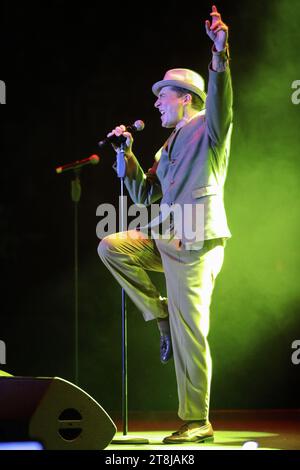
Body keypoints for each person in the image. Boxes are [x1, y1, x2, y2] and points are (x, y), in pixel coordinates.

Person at [98, 5, 233, 444]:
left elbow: (221, 99)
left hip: (197, 241)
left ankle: (198, 420)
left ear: (186, 98)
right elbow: (144, 195)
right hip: (165, 236)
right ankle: (156, 313)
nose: (156, 103)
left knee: (190, 331)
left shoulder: (208, 129)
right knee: (111, 246)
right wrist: (127, 154)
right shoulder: (167, 144)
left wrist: (219, 53)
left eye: (163, 96)